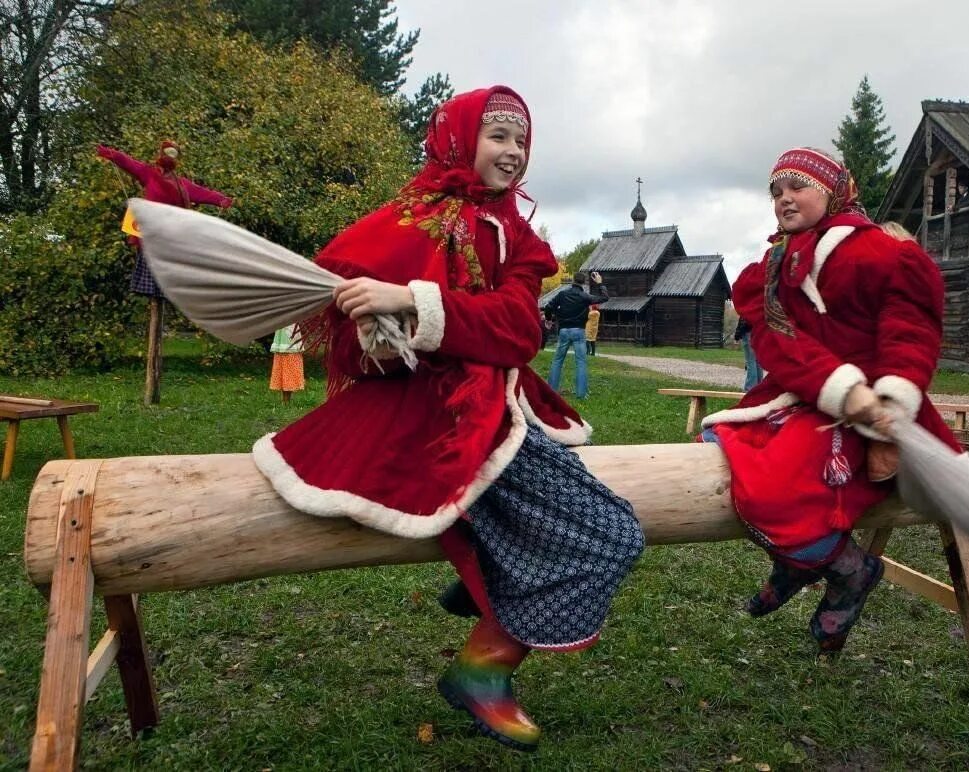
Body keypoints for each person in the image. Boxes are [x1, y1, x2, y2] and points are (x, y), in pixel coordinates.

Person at [251, 87, 644, 752]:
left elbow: (519, 329)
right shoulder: (404, 221)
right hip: (428, 422)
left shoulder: (518, 237)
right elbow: (351, 343)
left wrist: (412, 302)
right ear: (459, 138)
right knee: (614, 532)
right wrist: (377, 334)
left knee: (613, 532)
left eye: (521, 140)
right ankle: (482, 667)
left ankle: (489, 607)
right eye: (497, 136)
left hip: (493, 413)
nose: (513, 152)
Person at [699, 147, 961, 653]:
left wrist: (884, 411)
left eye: (798, 186)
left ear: (833, 190)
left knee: (773, 485)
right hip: (809, 391)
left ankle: (850, 571)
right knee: (718, 440)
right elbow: (778, 343)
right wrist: (828, 385)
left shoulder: (883, 254)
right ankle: (801, 563)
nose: (784, 199)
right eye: (776, 191)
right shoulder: (775, 264)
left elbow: (909, 337)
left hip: (870, 407)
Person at [97, 141, 233, 297]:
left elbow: (202, 193)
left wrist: (221, 199)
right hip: (151, 234)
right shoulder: (150, 173)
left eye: (173, 154)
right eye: (168, 152)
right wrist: (110, 153)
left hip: (171, 238)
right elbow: (129, 162)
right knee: (154, 289)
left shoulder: (182, 184)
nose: (170, 157)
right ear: (161, 154)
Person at [547, 270, 609, 398]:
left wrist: (551, 319)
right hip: (579, 331)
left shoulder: (562, 294)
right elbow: (604, 298)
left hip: (564, 330)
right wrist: (599, 283)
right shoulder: (584, 296)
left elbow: (548, 306)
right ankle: (581, 394)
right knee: (580, 362)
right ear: (583, 283)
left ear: (573, 280)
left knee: (557, 361)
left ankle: (551, 392)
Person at [269, 324, 305, 403]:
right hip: (282, 337)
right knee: (283, 369)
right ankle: (285, 400)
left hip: (291, 335)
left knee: (290, 369)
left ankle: (287, 399)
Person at [733, 317, 762, 390]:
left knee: (750, 361)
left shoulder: (748, 306)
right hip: (760, 332)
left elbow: (743, 319)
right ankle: (759, 387)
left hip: (749, 332)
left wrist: (737, 335)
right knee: (757, 361)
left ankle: (750, 388)